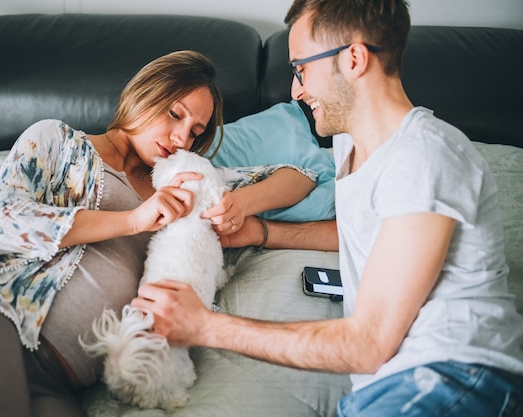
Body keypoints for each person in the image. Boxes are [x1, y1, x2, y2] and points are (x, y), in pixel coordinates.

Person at [131, 2, 523, 416]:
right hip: (398, 384)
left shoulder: (423, 157)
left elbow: (368, 345)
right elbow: (369, 236)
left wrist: (205, 326)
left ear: (353, 59)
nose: (296, 91)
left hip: (457, 380)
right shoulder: (351, 146)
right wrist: (262, 232)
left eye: (301, 68)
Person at [0, 50, 318, 417]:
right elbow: (0, 223)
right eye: (175, 113)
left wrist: (241, 205)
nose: (181, 136)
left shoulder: (185, 179)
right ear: (143, 93)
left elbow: (300, 177)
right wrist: (134, 220)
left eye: (195, 131)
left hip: (57, 378)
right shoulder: (58, 141)